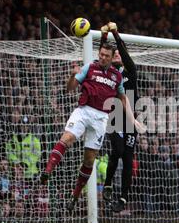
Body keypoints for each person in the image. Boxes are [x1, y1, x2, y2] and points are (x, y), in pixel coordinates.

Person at [40, 42, 137, 211]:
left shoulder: (117, 77)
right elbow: (69, 89)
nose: (103, 57)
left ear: (111, 56)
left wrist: (131, 119)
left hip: (101, 118)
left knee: (89, 159)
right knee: (68, 138)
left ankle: (75, 196)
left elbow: (122, 98)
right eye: (101, 54)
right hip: (84, 111)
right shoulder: (89, 68)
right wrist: (72, 76)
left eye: (107, 55)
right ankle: (47, 171)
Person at [100, 22, 139, 212]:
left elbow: (122, 51)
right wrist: (104, 37)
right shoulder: (109, 74)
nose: (115, 55)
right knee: (117, 150)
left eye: (117, 54)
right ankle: (108, 185)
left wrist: (115, 34)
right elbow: (102, 54)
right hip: (115, 116)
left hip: (131, 119)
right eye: (113, 54)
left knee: (128, 158)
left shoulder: (130, 71)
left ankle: (123, 198)